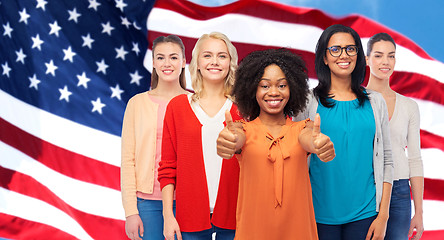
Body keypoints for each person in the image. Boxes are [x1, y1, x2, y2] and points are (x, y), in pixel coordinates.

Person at [216, 48, 335, 240]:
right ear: (252, 89)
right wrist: (228, 140)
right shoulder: (243, 129)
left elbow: (309, 139)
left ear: (293, 89)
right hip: (254, 231)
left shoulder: (303, 128)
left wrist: (318, 144)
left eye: (282, 85)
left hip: (297, 230)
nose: (273, 92)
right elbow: (235, 138)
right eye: (264, 86)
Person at [295, 24, 394, 240]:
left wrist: (383, 216)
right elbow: (296, 156)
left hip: (366, 214)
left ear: (358, 55)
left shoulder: (375, 102)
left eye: (351, 49)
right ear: (324, 57)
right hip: (318, 214)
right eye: (335, 49)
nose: (344, 55)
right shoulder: (307, 102)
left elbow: (387, 160)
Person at [158, 32, 241, 240]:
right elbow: (168, 167)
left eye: (222, 56)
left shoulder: (244, 108)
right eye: (207, 55)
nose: (215, 61)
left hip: (236, 217)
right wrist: (168, 216)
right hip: (189, 219)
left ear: (231, 62)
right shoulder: (177, 107)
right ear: (197, 63)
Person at [121, 35, 189, 240]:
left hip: (187, 201)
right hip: (147, 202)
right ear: (153, 63)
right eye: (160, 58)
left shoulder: (195, 102)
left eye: (173, 57)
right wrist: (131, 211)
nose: (167, 63)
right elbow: (128, 160)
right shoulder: (137, 103)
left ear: (184, 62)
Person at [366, 32, 424, 240]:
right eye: (379, 55)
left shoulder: (409, 106)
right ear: (367, 59)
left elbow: (415, 159)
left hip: (399, 191)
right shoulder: (357, 101)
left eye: (391, 56)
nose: (385, 62)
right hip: (365, 187)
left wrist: (419, 211)